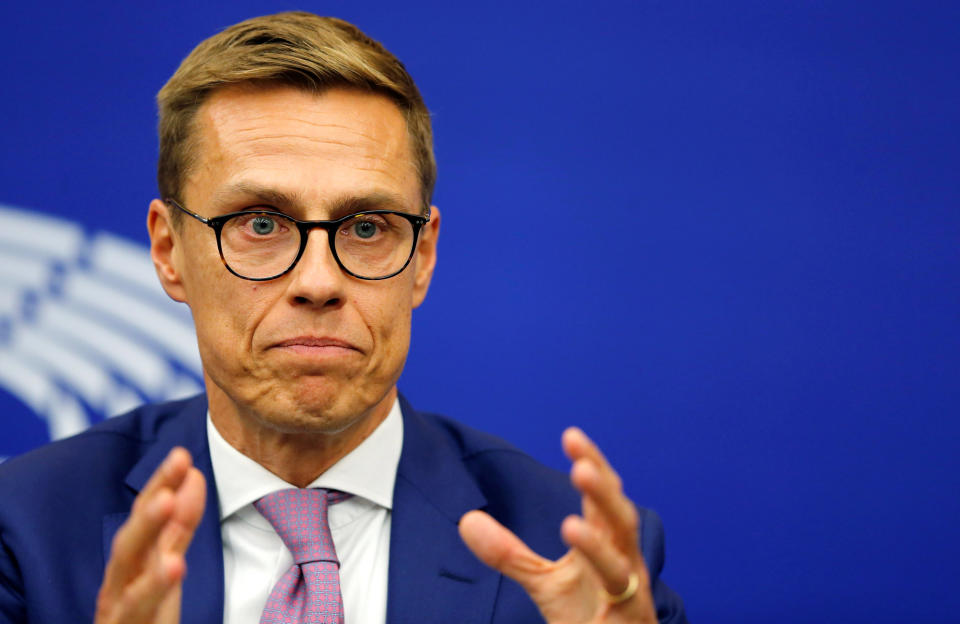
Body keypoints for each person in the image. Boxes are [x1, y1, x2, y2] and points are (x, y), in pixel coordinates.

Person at [0, 12, 686, 624]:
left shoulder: (575, 555)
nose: (319, 281)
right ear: (169, 250)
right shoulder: (27, 528)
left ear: (422, 256)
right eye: (260, 222)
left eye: (367, 228)